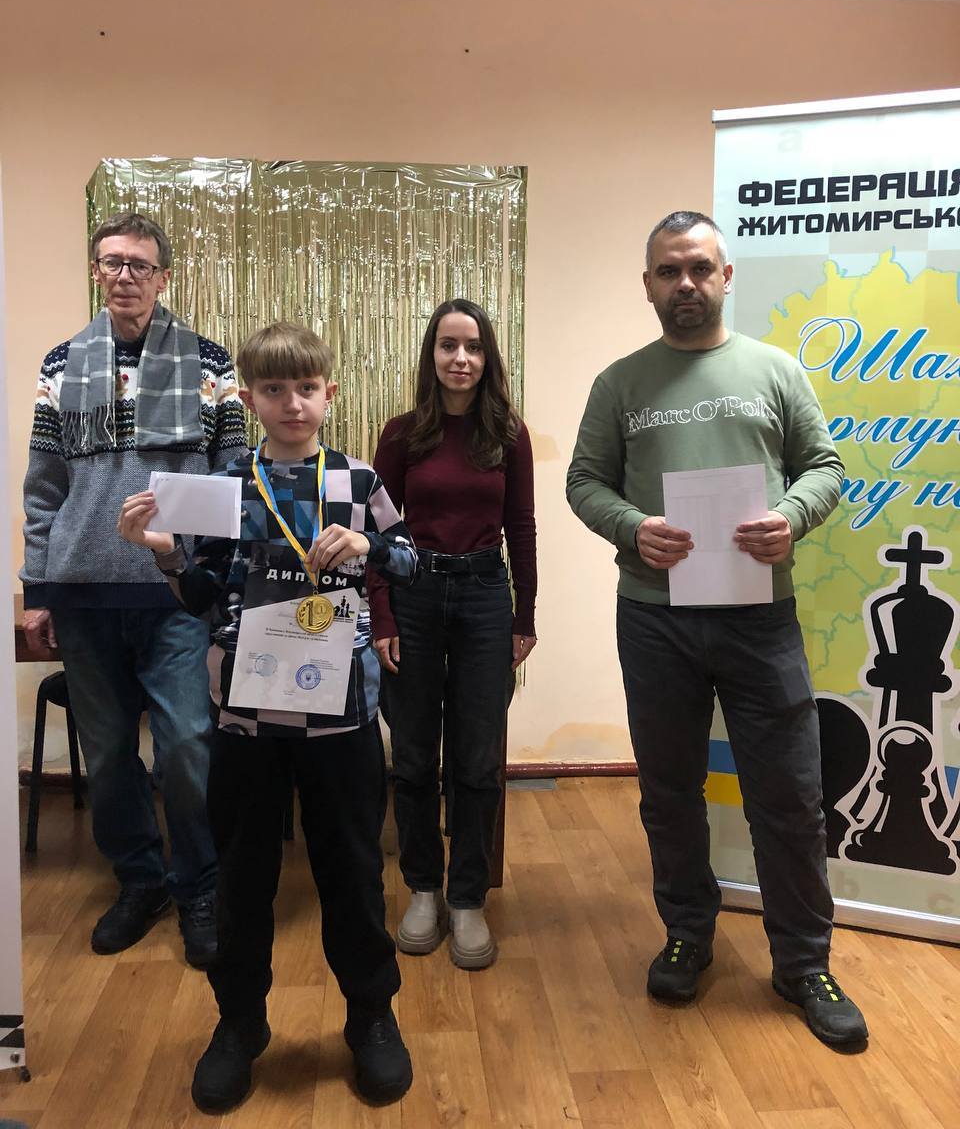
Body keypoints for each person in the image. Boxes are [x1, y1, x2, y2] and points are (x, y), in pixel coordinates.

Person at [566, 210, 868, 1048]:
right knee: (669, 792)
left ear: (726, 276)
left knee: (790, 796)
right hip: (654, 618)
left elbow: (826, 467)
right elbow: (584, 481)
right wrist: (632, 527)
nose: (686, 283)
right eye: (669, 271)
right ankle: (688, 935)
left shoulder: (775, 370)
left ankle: (803, 963)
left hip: (759, 617)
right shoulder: (620, 383)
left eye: (700, 267)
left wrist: (792, 518)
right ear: (649, 285)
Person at [118, 322, 417, 1113]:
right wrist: (163, 552)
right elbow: (202, 596)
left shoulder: (356, 478)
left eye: (306, 388)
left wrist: (371, 547)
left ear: (329, 393)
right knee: (244, 876)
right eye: (275, 390)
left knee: (353, 870)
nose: (293, 403)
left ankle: (371, 1014)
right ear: (249, 399)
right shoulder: (227, 484)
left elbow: (412, 559)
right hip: (247, 716)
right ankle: (239, 1023)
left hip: (341, 715)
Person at [21, 212, 246, 967]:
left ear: (163, 278)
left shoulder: (210, 363)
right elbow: (44, 486)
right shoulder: (60, 364)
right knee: (110, 751)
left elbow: (232, 474)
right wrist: (37, 589)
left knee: (185, 745)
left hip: (173, 591)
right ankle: (140, 881)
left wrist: (211, 572)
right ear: (96, 271)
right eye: (112, 262)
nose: (125, 276)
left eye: (139, 265)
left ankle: (199, 885)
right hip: (83, 591)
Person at [370, 298, 537, 969]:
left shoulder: (508, 435)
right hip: (413, 596)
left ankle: (467, 899)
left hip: (484, 599)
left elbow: (521, 526)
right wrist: (382, 616)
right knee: (413, 757)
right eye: (448, 345)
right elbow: (378, 533)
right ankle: (423, 890)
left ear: (487, 356)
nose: (461, 358)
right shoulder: (401, 435)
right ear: (431, 355)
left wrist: (526, 614)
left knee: (476, 760)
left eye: (472, 346)